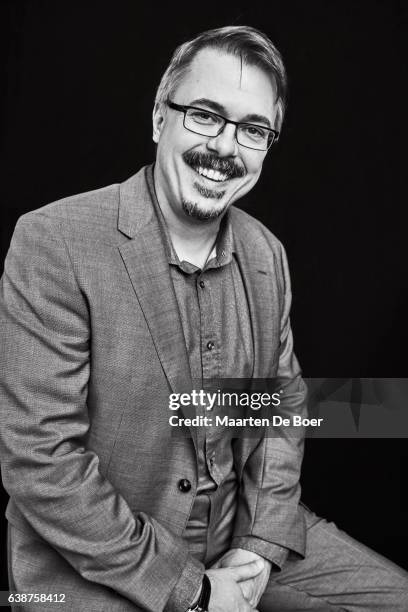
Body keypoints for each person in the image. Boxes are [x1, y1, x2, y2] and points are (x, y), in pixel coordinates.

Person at [0, 25, 407, 612]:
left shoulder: (266, 253)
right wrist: (191, 591)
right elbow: (40, 462)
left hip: (237, 537)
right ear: (161, 119)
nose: (225, 147)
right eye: (205, 115)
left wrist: (262, 543)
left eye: (252, 129)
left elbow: (282, 409)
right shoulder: (53, 241)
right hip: (96, 569)